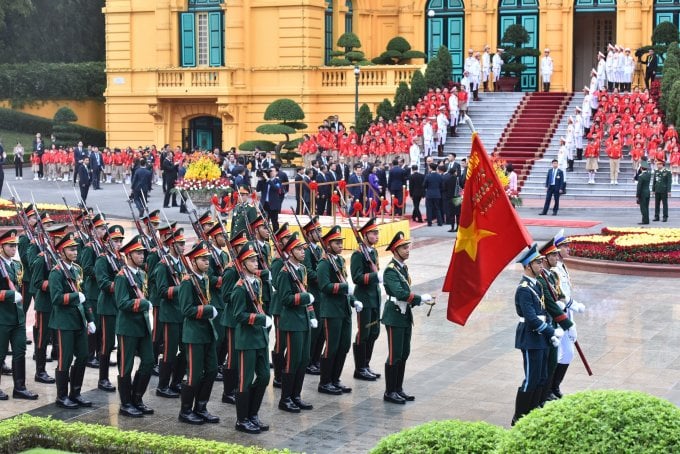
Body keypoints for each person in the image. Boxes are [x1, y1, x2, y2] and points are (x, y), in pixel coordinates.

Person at [511, 244, 562, 425]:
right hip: (531, 337)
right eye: (538, 262)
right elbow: (531, 318)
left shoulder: (537, 284)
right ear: (528, 266)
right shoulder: (524, 288)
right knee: (531, 379)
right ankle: (519, 417)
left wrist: (550, 329)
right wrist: (551, 331)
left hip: (541, 336)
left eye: (541, 262)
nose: (541, 265)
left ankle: (534, 410)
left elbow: (544, 311)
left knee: (542, 376)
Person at [382, 231, 432, 404]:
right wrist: (419, 299)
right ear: (395, 250)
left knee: (404, 353)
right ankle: (390, 391)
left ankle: (398, 388)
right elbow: (400, 293)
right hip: (394, 315)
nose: (408, 250)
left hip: (404, 315)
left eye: (407, 247)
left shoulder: (402, 267)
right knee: (395, 354)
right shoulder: (390, 270)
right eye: (404, 248)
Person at [49, 232, 96, 409]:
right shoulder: (56, 273)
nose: (75, 252)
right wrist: (76, 296)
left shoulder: (77, 269)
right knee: (65, 358)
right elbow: (56, 298)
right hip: (64, 322)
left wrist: (90, 319)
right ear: (61, 251)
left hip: (79, 321)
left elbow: (85, 298)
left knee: (83, 356)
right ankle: (61, 396)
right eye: (70, 249)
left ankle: (75, 393)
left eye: (76, 248)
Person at [178, 241, 220, 425]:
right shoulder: (187, 282)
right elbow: (186, 309)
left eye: (207, 260)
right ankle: (185, 410)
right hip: (194, 334)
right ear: (193, 262)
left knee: (211, 370)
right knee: (194, 374)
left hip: (207, 332)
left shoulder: (204, 279)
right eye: (203, 260)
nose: (207, 263)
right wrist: (207, 310)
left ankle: (201, 407)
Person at [231, 241, 272, 434]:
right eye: (251, 260)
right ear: (242, 263)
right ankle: (242, 419)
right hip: (246, 339)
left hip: (260, 338)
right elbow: (238, 315)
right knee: (244, 380)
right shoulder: (239, 288)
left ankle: (253, 414)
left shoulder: (257, 282)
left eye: (256, 259)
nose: (256, 263)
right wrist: (260, 319)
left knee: (264, 376)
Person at [317, 225, 361, 396]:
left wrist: (353, 300)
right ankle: (325, 381)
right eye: (336, 243)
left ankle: (335, 379)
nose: (340, 245)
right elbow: (324, 286)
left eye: (341, 242)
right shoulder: (324, 263)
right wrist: (344, 287)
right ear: (328, 245)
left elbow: (346, 287)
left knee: (343, 346)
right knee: (332, 347)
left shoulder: (340, 261)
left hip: (344, 310)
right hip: (331, 311)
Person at [114, 235, 155, 418]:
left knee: (148, 361)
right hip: (128, 328)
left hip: (143, 326)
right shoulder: (122, 277)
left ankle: (137, 398)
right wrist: (143, 304)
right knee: (126, 366)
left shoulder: (142, 274)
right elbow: (122, 303)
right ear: (129, 255)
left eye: (142, 253)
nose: (142, 256)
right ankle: (126, 403)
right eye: (137, 253)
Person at [276, 233, 316, 413]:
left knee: (303, 359)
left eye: (303, 249)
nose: (303, 252)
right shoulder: (284, 272)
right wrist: (304, 298)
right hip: (292, 322)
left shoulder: (301, 269)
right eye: (299, 249)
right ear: (290, 252)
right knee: (292, 361)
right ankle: (285, 398)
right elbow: (285, 298)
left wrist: (312, 314)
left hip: (304, 320)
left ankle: (296, 396)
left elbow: (304, 293)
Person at [0, 229, 38, 401]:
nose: (14, 249)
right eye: (10, 246)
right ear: (2, 247)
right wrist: (8, 295)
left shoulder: (16, 265)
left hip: (18, 318)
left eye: (15, 245)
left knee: (20, 352)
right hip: (2, 318)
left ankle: (20, 387)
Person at [550, 232, 586, 399]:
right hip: (559, 318)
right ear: (556, 250)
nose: (568, 249)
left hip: (567, 315)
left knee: (569, 353)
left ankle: (554, 386)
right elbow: (560, 296)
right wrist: (574, 305)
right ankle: (550, 388)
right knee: (558, 354)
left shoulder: (562, 267)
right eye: (565, 246)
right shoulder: (554, 270)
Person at [154, 227, 187, 398]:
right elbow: (162, 291)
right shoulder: (163, 265)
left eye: (183, 243)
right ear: (171, 245)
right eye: (180, 244)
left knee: (186, 350)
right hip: (170, 314)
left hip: (182, 313)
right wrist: (179, 289)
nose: (183, 247)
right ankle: (163, 386)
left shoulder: (182, 263)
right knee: (169, 351)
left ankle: (176, 382)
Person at [94, 225, 125, 393]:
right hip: (107, 306)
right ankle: (103, 378)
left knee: (122, 342)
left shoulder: (121, 258)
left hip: (121, 305)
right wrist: (121, 286)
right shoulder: (102, 259)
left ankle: (123, 374)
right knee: (107, 343)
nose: (118, 243)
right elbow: (103, 283)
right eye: (115, 240)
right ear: (107, 241)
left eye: (120, 240)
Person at [350, 218, 382, 382]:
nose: (377, 236)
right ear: (365, 235)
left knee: (374, 332)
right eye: (373, 233)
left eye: (377, 233)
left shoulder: (374, 252)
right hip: (364, 299)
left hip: (375, 298)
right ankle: (360, 368)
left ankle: (366, 364)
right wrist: (375, 276)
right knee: (364, 332)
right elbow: (356, 277)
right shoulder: (358, 254)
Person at [636, 160, 651, 224]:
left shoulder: (641, 176)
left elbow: (639, 187)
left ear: (641, 168)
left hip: (642, 193)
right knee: (646, 207)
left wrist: (637, 195)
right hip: (647, 192)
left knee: (643, 208)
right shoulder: (648, 175)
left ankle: (645, 221)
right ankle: (646, 220)